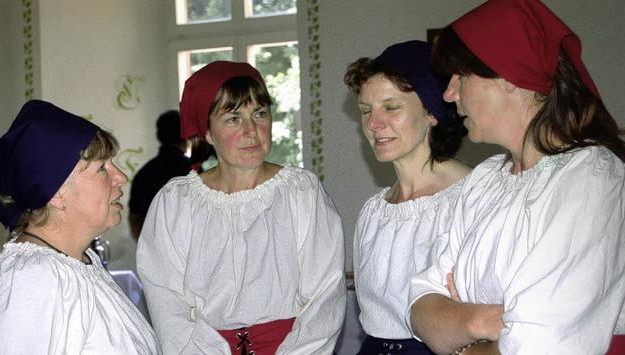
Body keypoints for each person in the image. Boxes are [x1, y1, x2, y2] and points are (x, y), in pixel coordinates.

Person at [407, 0, 625, 354]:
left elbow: (542, 343)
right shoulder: (485, 179)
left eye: (460, 76)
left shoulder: (591, 177)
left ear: (508, 75)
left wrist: (461, 334)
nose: (449, 94)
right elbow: (419, 307)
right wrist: (483, 324)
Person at [136, 61, 346, 354]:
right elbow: (167, 302)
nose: (252, 131)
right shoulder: (177, 203)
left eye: (259, 114)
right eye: (233, 119)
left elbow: (326, 294)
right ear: (208, 133)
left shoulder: (301, 192)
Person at [0, 99, 161, 353]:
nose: (121, 177)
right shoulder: (30, 281)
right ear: (56, 192)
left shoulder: (81, 261)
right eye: (102, 168)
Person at [343, 40, 471, 354]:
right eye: (366, 111)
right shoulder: (375, 212)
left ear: (431, 112)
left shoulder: (473, 197)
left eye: (391, 107)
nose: (373, 124)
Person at [128, 109, 191, 240]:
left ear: (159, 136)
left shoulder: (144, 174)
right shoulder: (193, 171)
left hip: (156, 250)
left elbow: (134, 218)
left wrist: (148, 248)